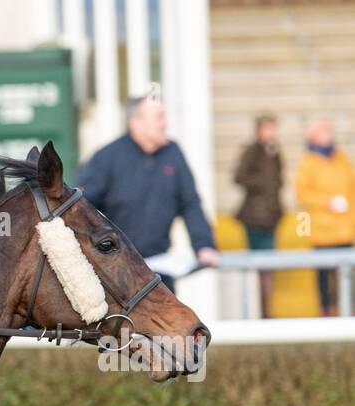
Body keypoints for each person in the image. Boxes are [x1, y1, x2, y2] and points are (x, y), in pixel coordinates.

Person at [76, 94, 220, 292]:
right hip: (117, 271)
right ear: (136, 123)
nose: (165, 123)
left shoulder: (173, 152)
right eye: (159, 117)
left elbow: (190, 203)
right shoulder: (107, 158)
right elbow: (82, 206)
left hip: (160, 271)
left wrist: (204, 245)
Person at [294, 118, 355, 315]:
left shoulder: (342, 159)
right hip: (321, 230)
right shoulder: (308, 163)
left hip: (345, 230)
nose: (328, 135)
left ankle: (347, 312)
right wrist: (328, 201)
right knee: (324, 280)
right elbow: (302, 193)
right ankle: (326, 313)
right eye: (323, 131)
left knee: (347, 278)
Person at [233, 114, 284, 315]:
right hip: (255, 218)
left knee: (268, 268)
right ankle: (259, 313)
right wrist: (262, 184)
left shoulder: (275, 151)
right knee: (258, 267)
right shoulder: (252, 151)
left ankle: (266, 312)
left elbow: (278, 181)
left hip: (271, 217)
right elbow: (239, 177)